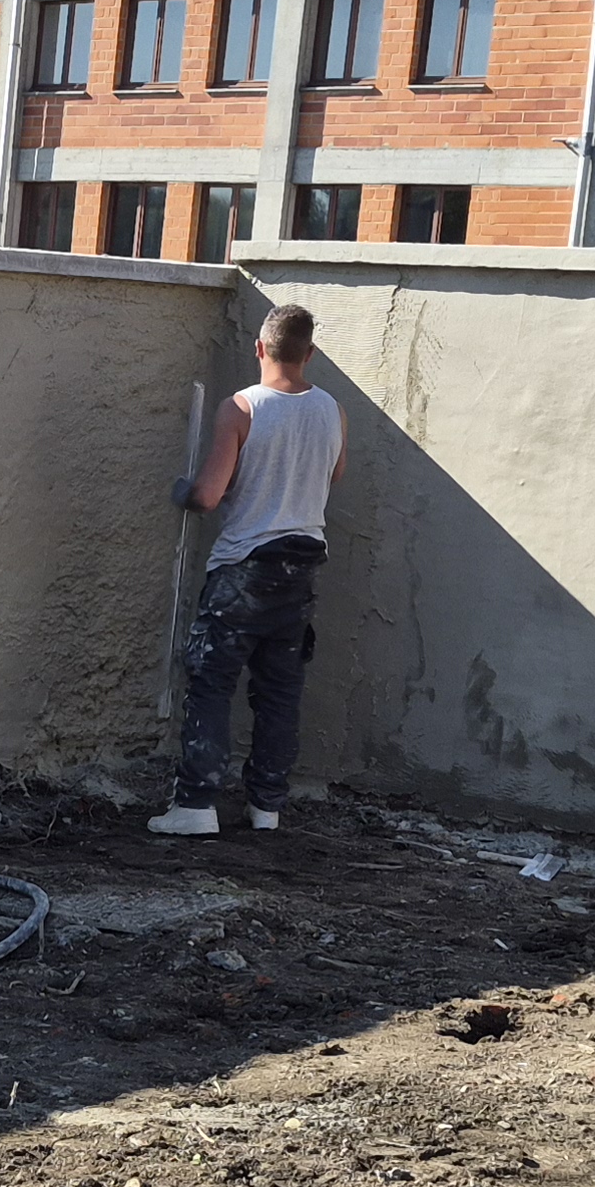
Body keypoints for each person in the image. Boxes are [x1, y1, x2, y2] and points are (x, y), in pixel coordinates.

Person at [155, 304, 343, 838]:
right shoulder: (333, 410)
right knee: (280, 691)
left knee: (212, 682)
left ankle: (194, 806)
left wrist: (185, 491)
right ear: (309, 354)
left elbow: (210, 497)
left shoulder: (241, 408)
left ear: (259, 348)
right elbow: (337, 473)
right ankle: (266, 808)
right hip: (301, 568)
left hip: (244, 570)